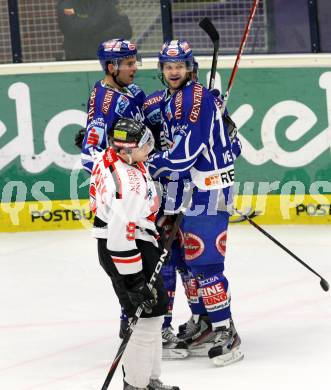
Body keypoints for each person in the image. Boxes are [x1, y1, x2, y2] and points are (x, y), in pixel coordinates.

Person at [146, 39, 244, 367]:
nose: (174, 71)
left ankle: (225, 329)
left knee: (205, 263)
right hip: (192, 188)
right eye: (168, 66)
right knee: (189, 263)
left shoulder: (194, 99)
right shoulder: (183, 98)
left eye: (179, 66)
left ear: (191, 68)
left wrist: (147, 163)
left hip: (208, 190)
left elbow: (184, 154)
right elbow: (234, 145)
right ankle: (205, 322)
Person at [90, 117, 180, 390]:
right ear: (127, 150)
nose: (150, 148)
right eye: (144, 145)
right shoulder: (129, 185)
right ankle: (136, 385)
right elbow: (120, 235)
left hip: (131, 244)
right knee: (146, 317)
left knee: (155, 311)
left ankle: (149, 380)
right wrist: (134, 281)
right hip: (127, 249)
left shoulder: (113, 157)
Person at [81, 38, 145, 174]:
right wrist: (122, 181)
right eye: (129, 64)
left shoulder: (132, 89)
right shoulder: (105, 102)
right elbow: (88, 157)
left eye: (134, 62)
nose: (135, 68)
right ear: (112, 68)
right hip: (131, 183)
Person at [57, 0, 132, 60]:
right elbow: (72, 29)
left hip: (107, 58)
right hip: (78, 60)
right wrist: (102, 23)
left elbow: (125, 30)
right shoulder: (67, 3)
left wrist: (100, 37)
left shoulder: (107, 2)